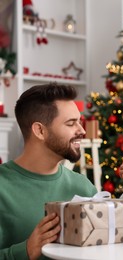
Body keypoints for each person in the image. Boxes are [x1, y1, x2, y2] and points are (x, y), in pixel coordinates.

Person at [0, 83, 97, 260]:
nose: (82, 130)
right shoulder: (2, 187)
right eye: (71, 123)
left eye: (80, 121)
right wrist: (26, 250)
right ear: (40, 130)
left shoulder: (83, 187)